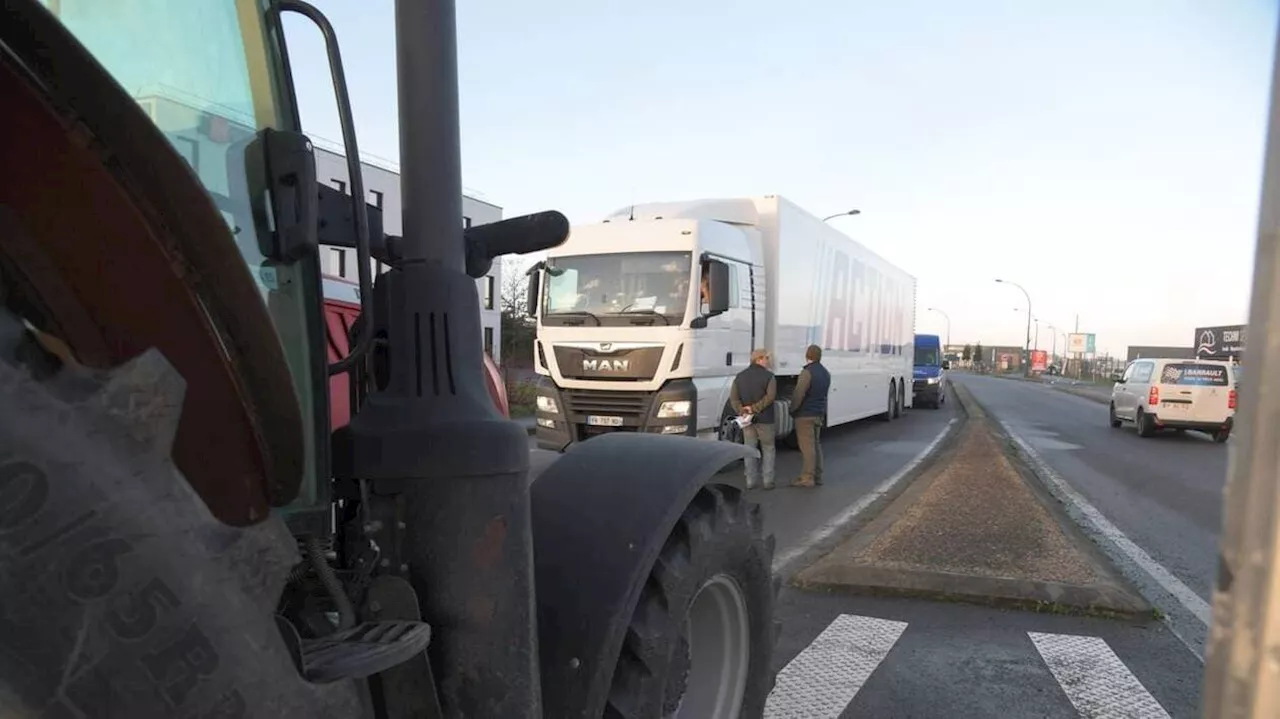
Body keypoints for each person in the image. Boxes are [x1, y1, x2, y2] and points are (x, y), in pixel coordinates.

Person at [730, 349, 777, 490]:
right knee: (768, 448)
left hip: (747, 420)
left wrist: (743, 410)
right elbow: (770, 397)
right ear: (759, 359)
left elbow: (734, 398)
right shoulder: (769, 377)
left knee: (749, 448)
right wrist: (755, 408)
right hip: (765, 419)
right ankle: (768, 480)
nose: (768, 361)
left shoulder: (739, 377)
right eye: (767, 358)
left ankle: (750, 480)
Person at [788, 344, 830, 488]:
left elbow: (799, 393)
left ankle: (807, 477)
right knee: (816, 444)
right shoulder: (825, 373)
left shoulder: (807, 373)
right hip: (818, 413)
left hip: (805, 414)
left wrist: (792, 409)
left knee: (807, 447)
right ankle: (818, 475)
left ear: (808, 356)